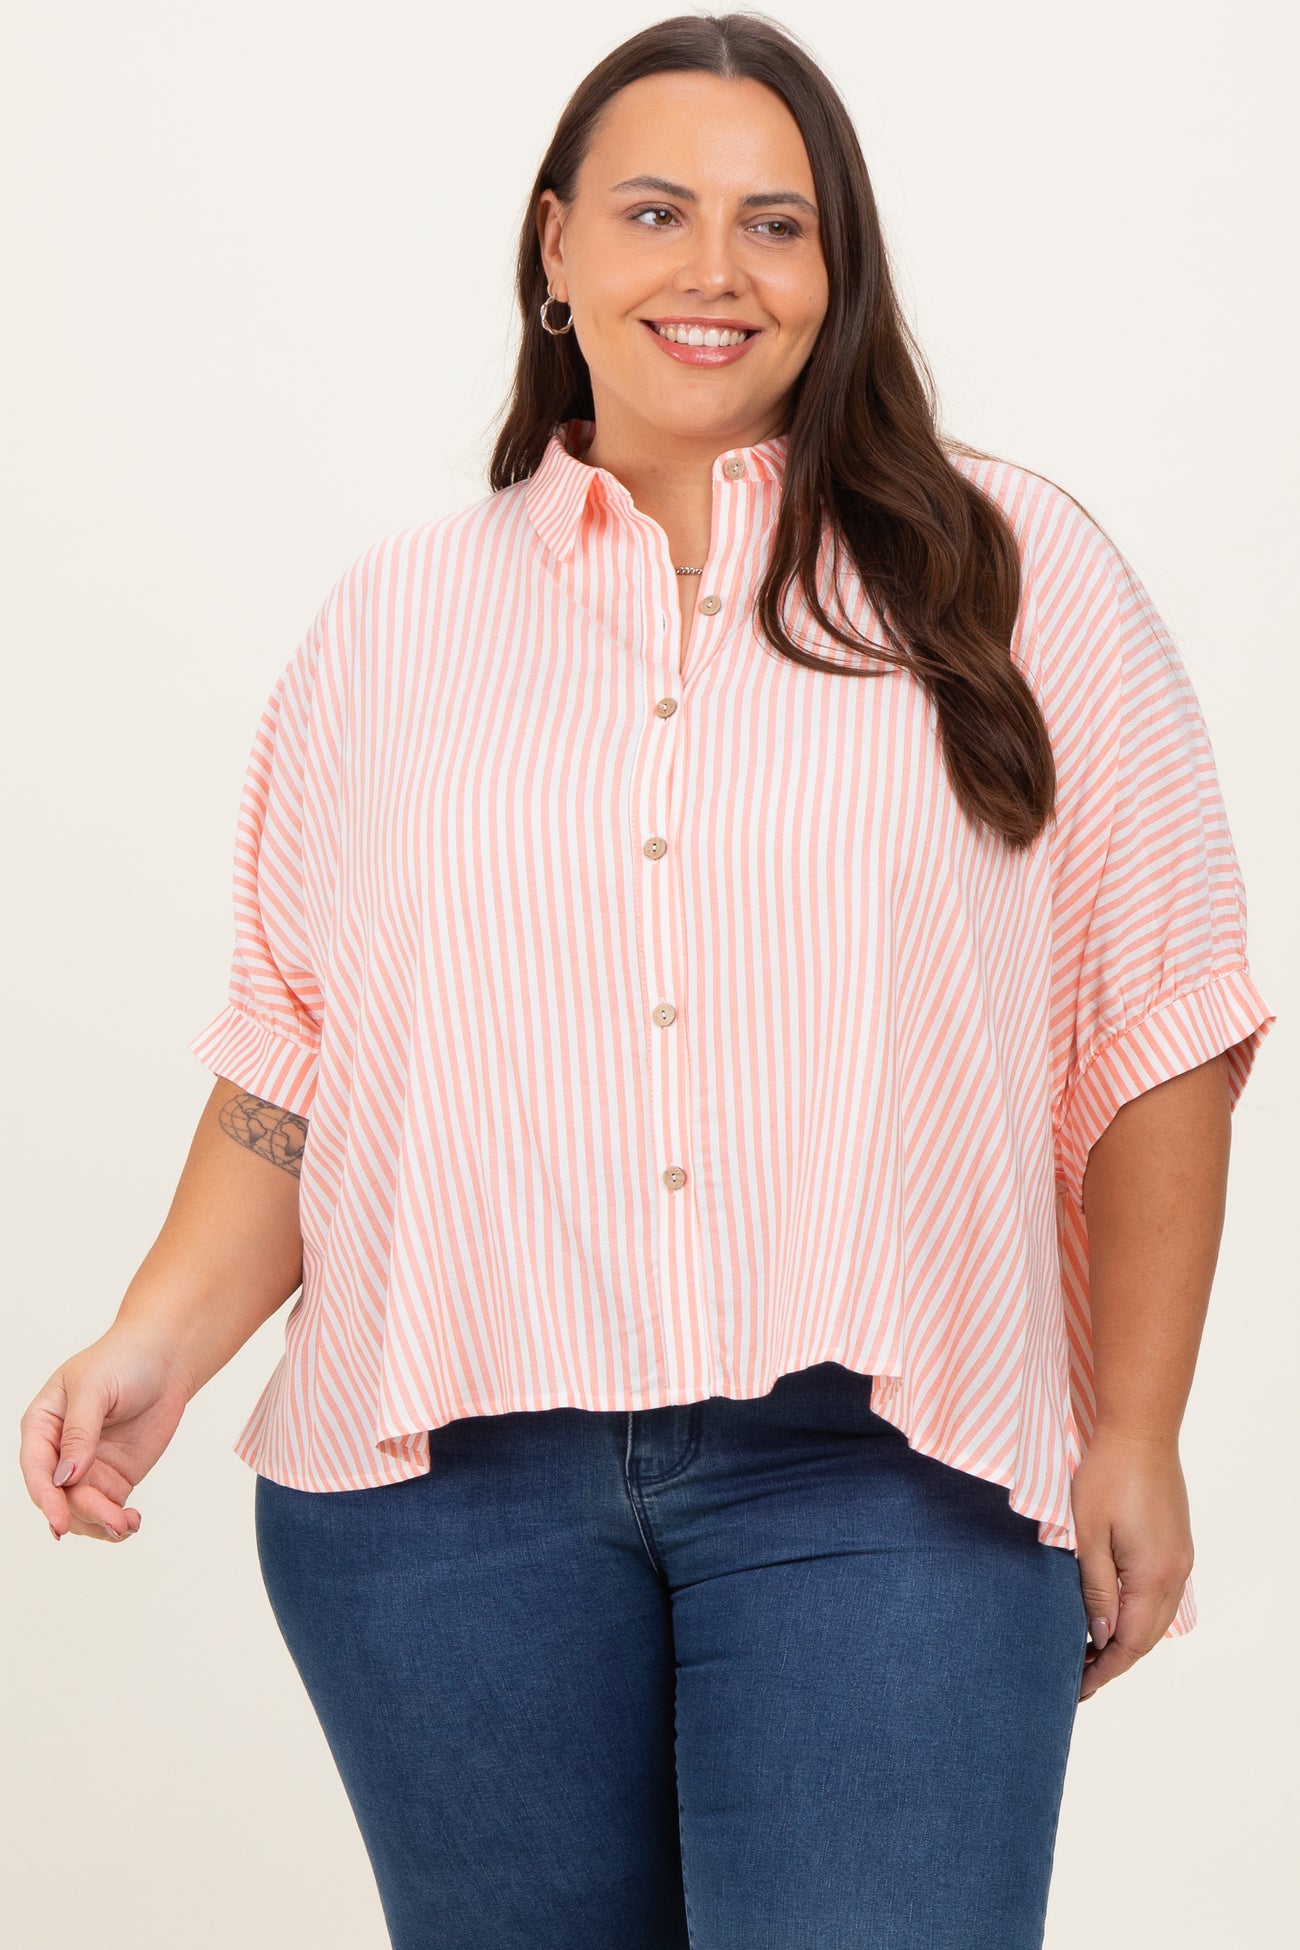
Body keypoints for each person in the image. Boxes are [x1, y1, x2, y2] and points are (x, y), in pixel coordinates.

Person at [19, 13, 1275, 1949]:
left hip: (891, 1469)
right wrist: (153, 1340)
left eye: (776, 224)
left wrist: (1134, 1424)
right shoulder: (392, 626)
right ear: (555, 246)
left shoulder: (1012, 580)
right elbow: (304, 1059)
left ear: (837, 269)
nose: (715, 269)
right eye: (656, 212)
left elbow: (1154, 1021)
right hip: (441, 1508)